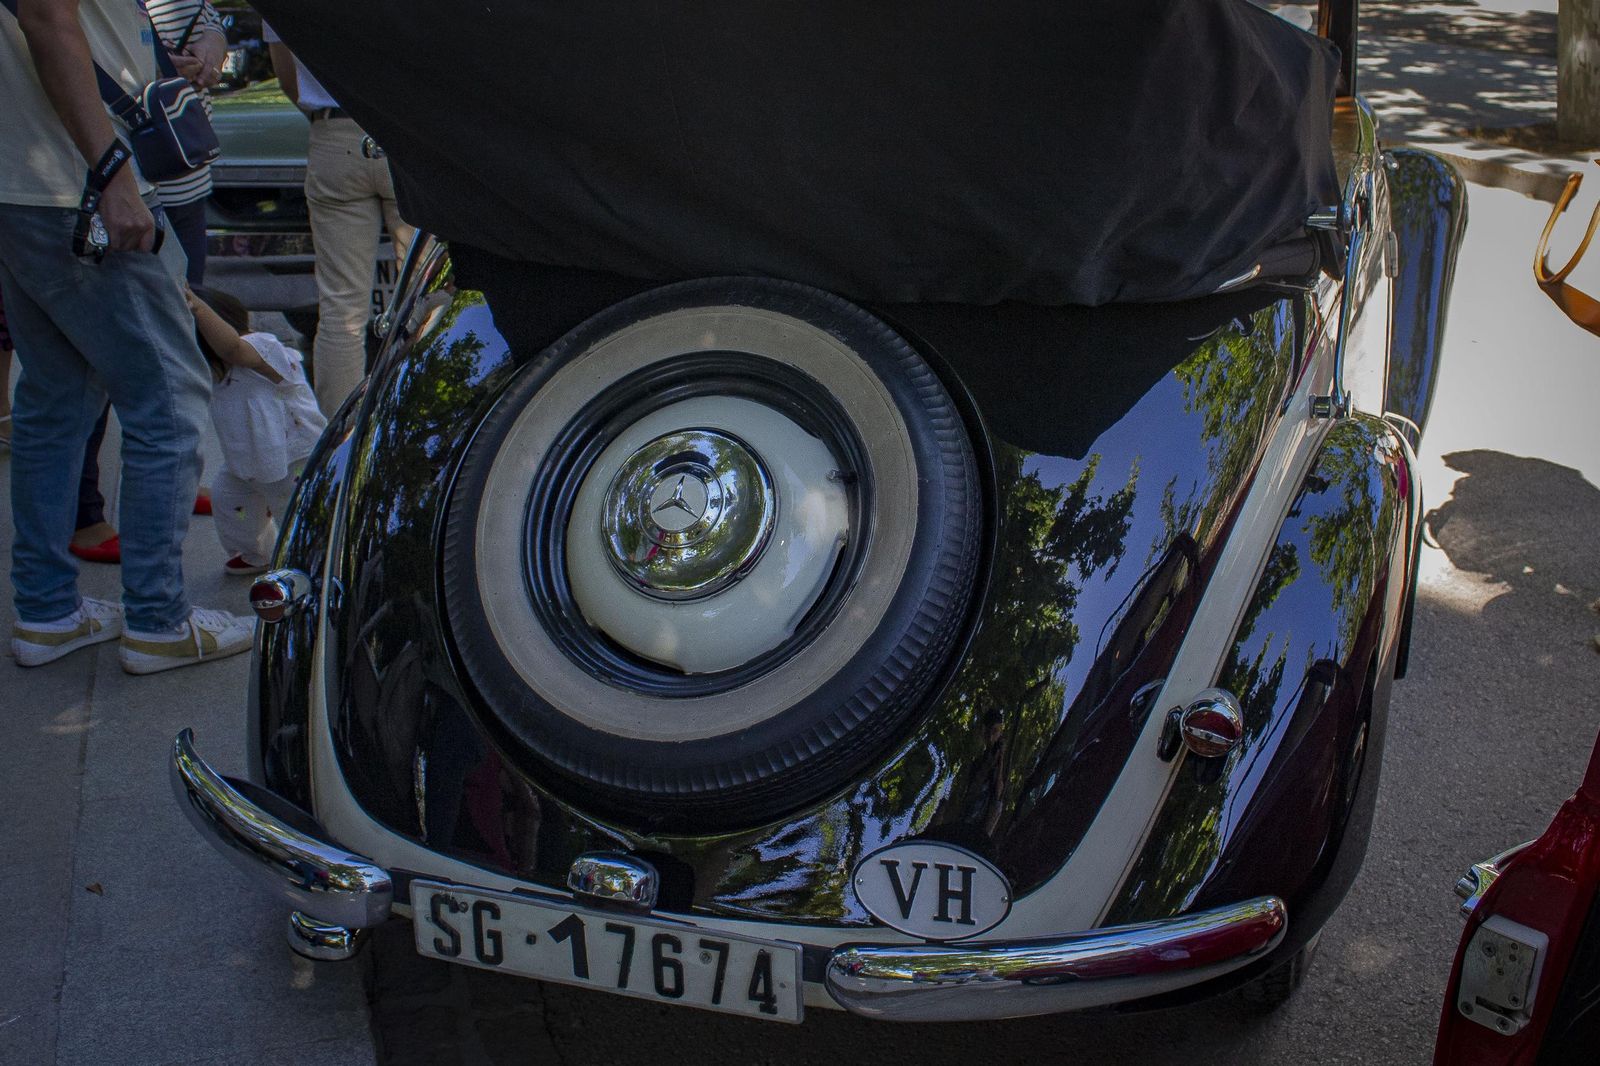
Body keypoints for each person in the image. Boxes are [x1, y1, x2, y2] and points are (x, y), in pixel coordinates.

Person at [1, 0, 252, 674]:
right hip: (73, 183)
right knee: (167, 402)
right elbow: (48, 17)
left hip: (25, 181)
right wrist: (111, 171)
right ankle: (157, 620)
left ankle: (47, 610)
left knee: (53, 396)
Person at [264, 22, 415, 417]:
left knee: (341, 310)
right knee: (424, 297)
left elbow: (288, 78)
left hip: (335, 133)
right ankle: (420, 425)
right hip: (407, 129)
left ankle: (340, 444)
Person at [186, 285, 326, 575]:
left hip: (291, 458)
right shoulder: (215, 373)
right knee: (229, 502)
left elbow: (231, 348)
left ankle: (312, 555)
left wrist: (197, 307)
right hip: (245, 461)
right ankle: (257, 552)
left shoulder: (262, 348)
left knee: (295, 508)